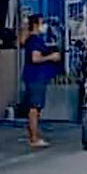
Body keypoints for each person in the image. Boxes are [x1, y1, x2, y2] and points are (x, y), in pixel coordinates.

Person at [21, 14, 60, 149]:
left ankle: (34, 135)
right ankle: (34, 138)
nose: (44, 26)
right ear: (36, 25)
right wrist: (51, 57)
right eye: (42, 23)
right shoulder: (35, 40)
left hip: (35, 77)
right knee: (34, 108)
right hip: (35, 77)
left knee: (35, 108)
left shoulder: (33, 40)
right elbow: (35, 58)